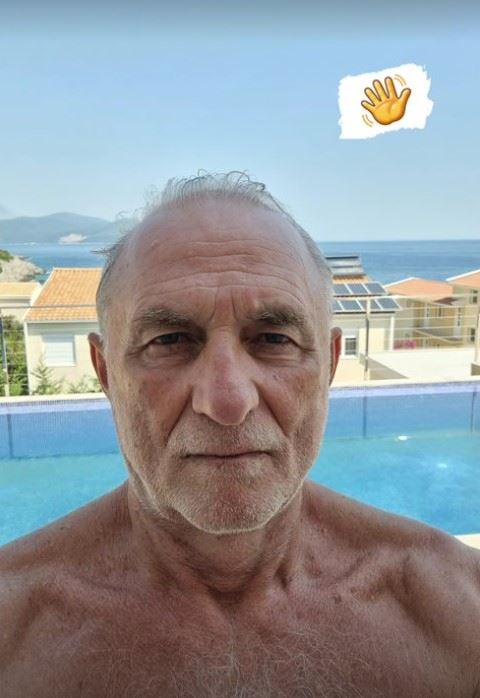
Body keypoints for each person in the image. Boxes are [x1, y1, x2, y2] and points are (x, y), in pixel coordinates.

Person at [0, 172, 479, 698]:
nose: (228, 402)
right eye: (170, 340)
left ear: (329, 365)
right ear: (106, 372)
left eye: (274, 338)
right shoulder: (13, 630)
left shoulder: (455, 613)